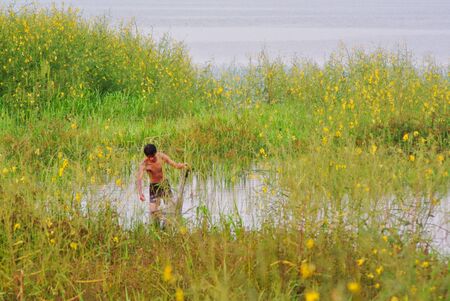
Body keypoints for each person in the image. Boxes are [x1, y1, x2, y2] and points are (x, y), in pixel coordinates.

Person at [136, 144, 188, 225]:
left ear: (155, 153)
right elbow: (139, 179)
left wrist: (181, 165)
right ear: (146, 156)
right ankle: (156, 227)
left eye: (153, 156)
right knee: (153, 212)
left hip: (164, 185)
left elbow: (174, 164)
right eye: (149, 157)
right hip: (154, 187)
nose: (151, 158)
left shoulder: (161, 156)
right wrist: (140, 193)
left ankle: (167, 225)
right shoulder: (144, 163)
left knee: (171, 208)